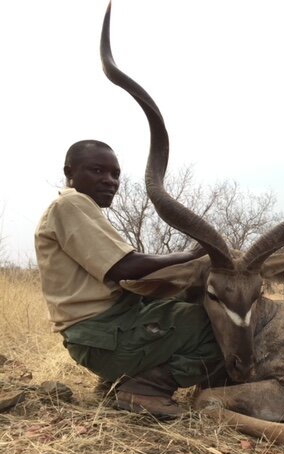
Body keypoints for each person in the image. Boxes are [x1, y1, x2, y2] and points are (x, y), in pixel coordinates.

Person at [34, 139, 224, 418]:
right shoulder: (71, 205)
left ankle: (118, 382)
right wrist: (191, 255)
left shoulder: (84, 211)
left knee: (180, 301)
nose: (110, 181)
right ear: (70, 171)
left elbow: (126, 271)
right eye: (98, 171)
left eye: (115, 174)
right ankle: (147, 389)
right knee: (218, 329)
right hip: (102, 334)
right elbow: (125, 267)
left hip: (104, 332)